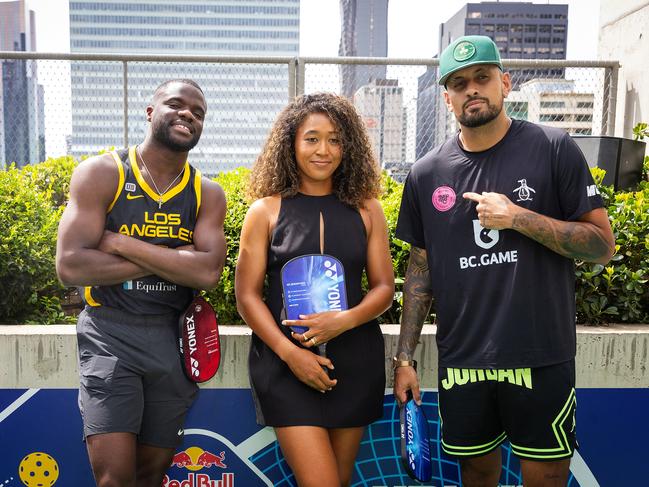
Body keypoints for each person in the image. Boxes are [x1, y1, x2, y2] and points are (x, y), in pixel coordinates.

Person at [392, 36, 615, 487]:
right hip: (465, 358)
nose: (472, 88)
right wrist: (404, 358)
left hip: (541, 354)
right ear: (447, 97)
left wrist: (518, 218)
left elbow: (600, 245)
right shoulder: (425, 174)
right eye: (459, 83)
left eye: (482, 77)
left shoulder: (553, 147)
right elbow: (421, 271)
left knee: (548, 477)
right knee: (475, 474)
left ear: (505, 83)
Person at [56, 79, 226, 487]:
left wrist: (122, 245)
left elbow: (207, 274)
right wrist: (171, 257)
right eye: (176, 104)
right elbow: (72, 265)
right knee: (115, 480)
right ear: (150, 112)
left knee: (151, 477)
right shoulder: (102, 173)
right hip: (110, 332)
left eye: (198, 112)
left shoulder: (207, 193)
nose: (188, 114)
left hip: (173, 338)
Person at [235, 92, 394, 487]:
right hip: (286, 367)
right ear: (291, 143)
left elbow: (384, 289)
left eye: (335, 139)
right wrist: (291, 354)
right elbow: (247, 297)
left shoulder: (368, 209)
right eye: (311, 138)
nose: (324, 150)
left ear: (349, 146)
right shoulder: (265, 211)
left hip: (354, 364)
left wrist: (344, 321)